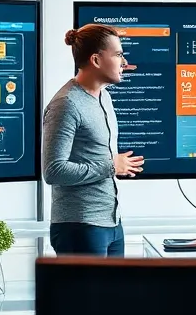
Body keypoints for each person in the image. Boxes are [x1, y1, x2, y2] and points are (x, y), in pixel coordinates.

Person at [43, 24, 143, 255]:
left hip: (112, 223)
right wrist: (110, 166)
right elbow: (53, 171)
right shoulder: (66, 104)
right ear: (96, 60)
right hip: (80, 227)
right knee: (87, 293)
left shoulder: (104, 97)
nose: (124, 62)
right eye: (118, 55)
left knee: (115, 293)